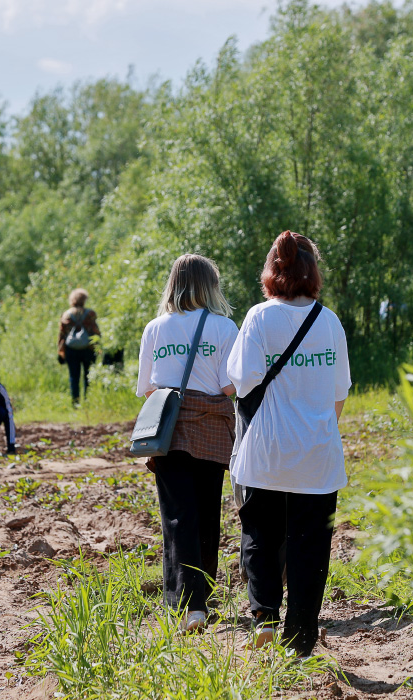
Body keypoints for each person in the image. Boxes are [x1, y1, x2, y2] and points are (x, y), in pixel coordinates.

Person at [227, 230, 352, 657]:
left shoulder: (259, 319)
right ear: (312, 271)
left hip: (266, 452)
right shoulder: (329, 321)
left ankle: (264, 616)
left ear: (272, 270)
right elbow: (339, 393)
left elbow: (240, 382)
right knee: (311, 546)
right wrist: (316, 433)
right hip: (317, 456)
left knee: (260, 536)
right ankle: (300, 638)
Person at [136, 254, 238, 633]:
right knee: (209, 514)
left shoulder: (154, 328)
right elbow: (232, 386)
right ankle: (202, 599)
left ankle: (185, 603)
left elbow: (146, 388)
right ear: (209, 285)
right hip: (212, 426)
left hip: (171, 427)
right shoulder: (225, 328)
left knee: (177, 516)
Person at [57, 288, 101, 404]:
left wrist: (61, 351)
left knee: (74, 376)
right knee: (88, 376)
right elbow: (96, 332)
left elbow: (62, 335)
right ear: (84, 300)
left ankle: (75, 402)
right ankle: (88, 400)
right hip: (88, 349)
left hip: (71, 349)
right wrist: (98, 347)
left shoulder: (66, 315)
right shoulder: (90, 314)